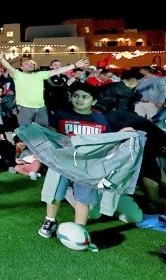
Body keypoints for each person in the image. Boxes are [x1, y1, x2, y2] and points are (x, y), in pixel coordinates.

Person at [36, 82, 112, 243]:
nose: (79, 99)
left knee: (83, 198)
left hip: (86, 166)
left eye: (85, 97)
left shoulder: (101, 118)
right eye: (76, 95)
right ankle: (50, 220)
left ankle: (80, 228)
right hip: (62, 162)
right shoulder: (61, 113)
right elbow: (53, 134)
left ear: (94, 101)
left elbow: (108, 141)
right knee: (55, 193)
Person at [0, 51, 89, 127]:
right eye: (27, 64)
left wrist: (75, 65)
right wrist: (1, 59)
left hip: (41, 108)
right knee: (25, 131)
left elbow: (58, 70)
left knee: (43, 130)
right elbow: (8, 67)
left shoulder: (40, 74)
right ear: (21, 67)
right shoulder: (18, 75)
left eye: (31, 64)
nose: (30, 65)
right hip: (24, 108)